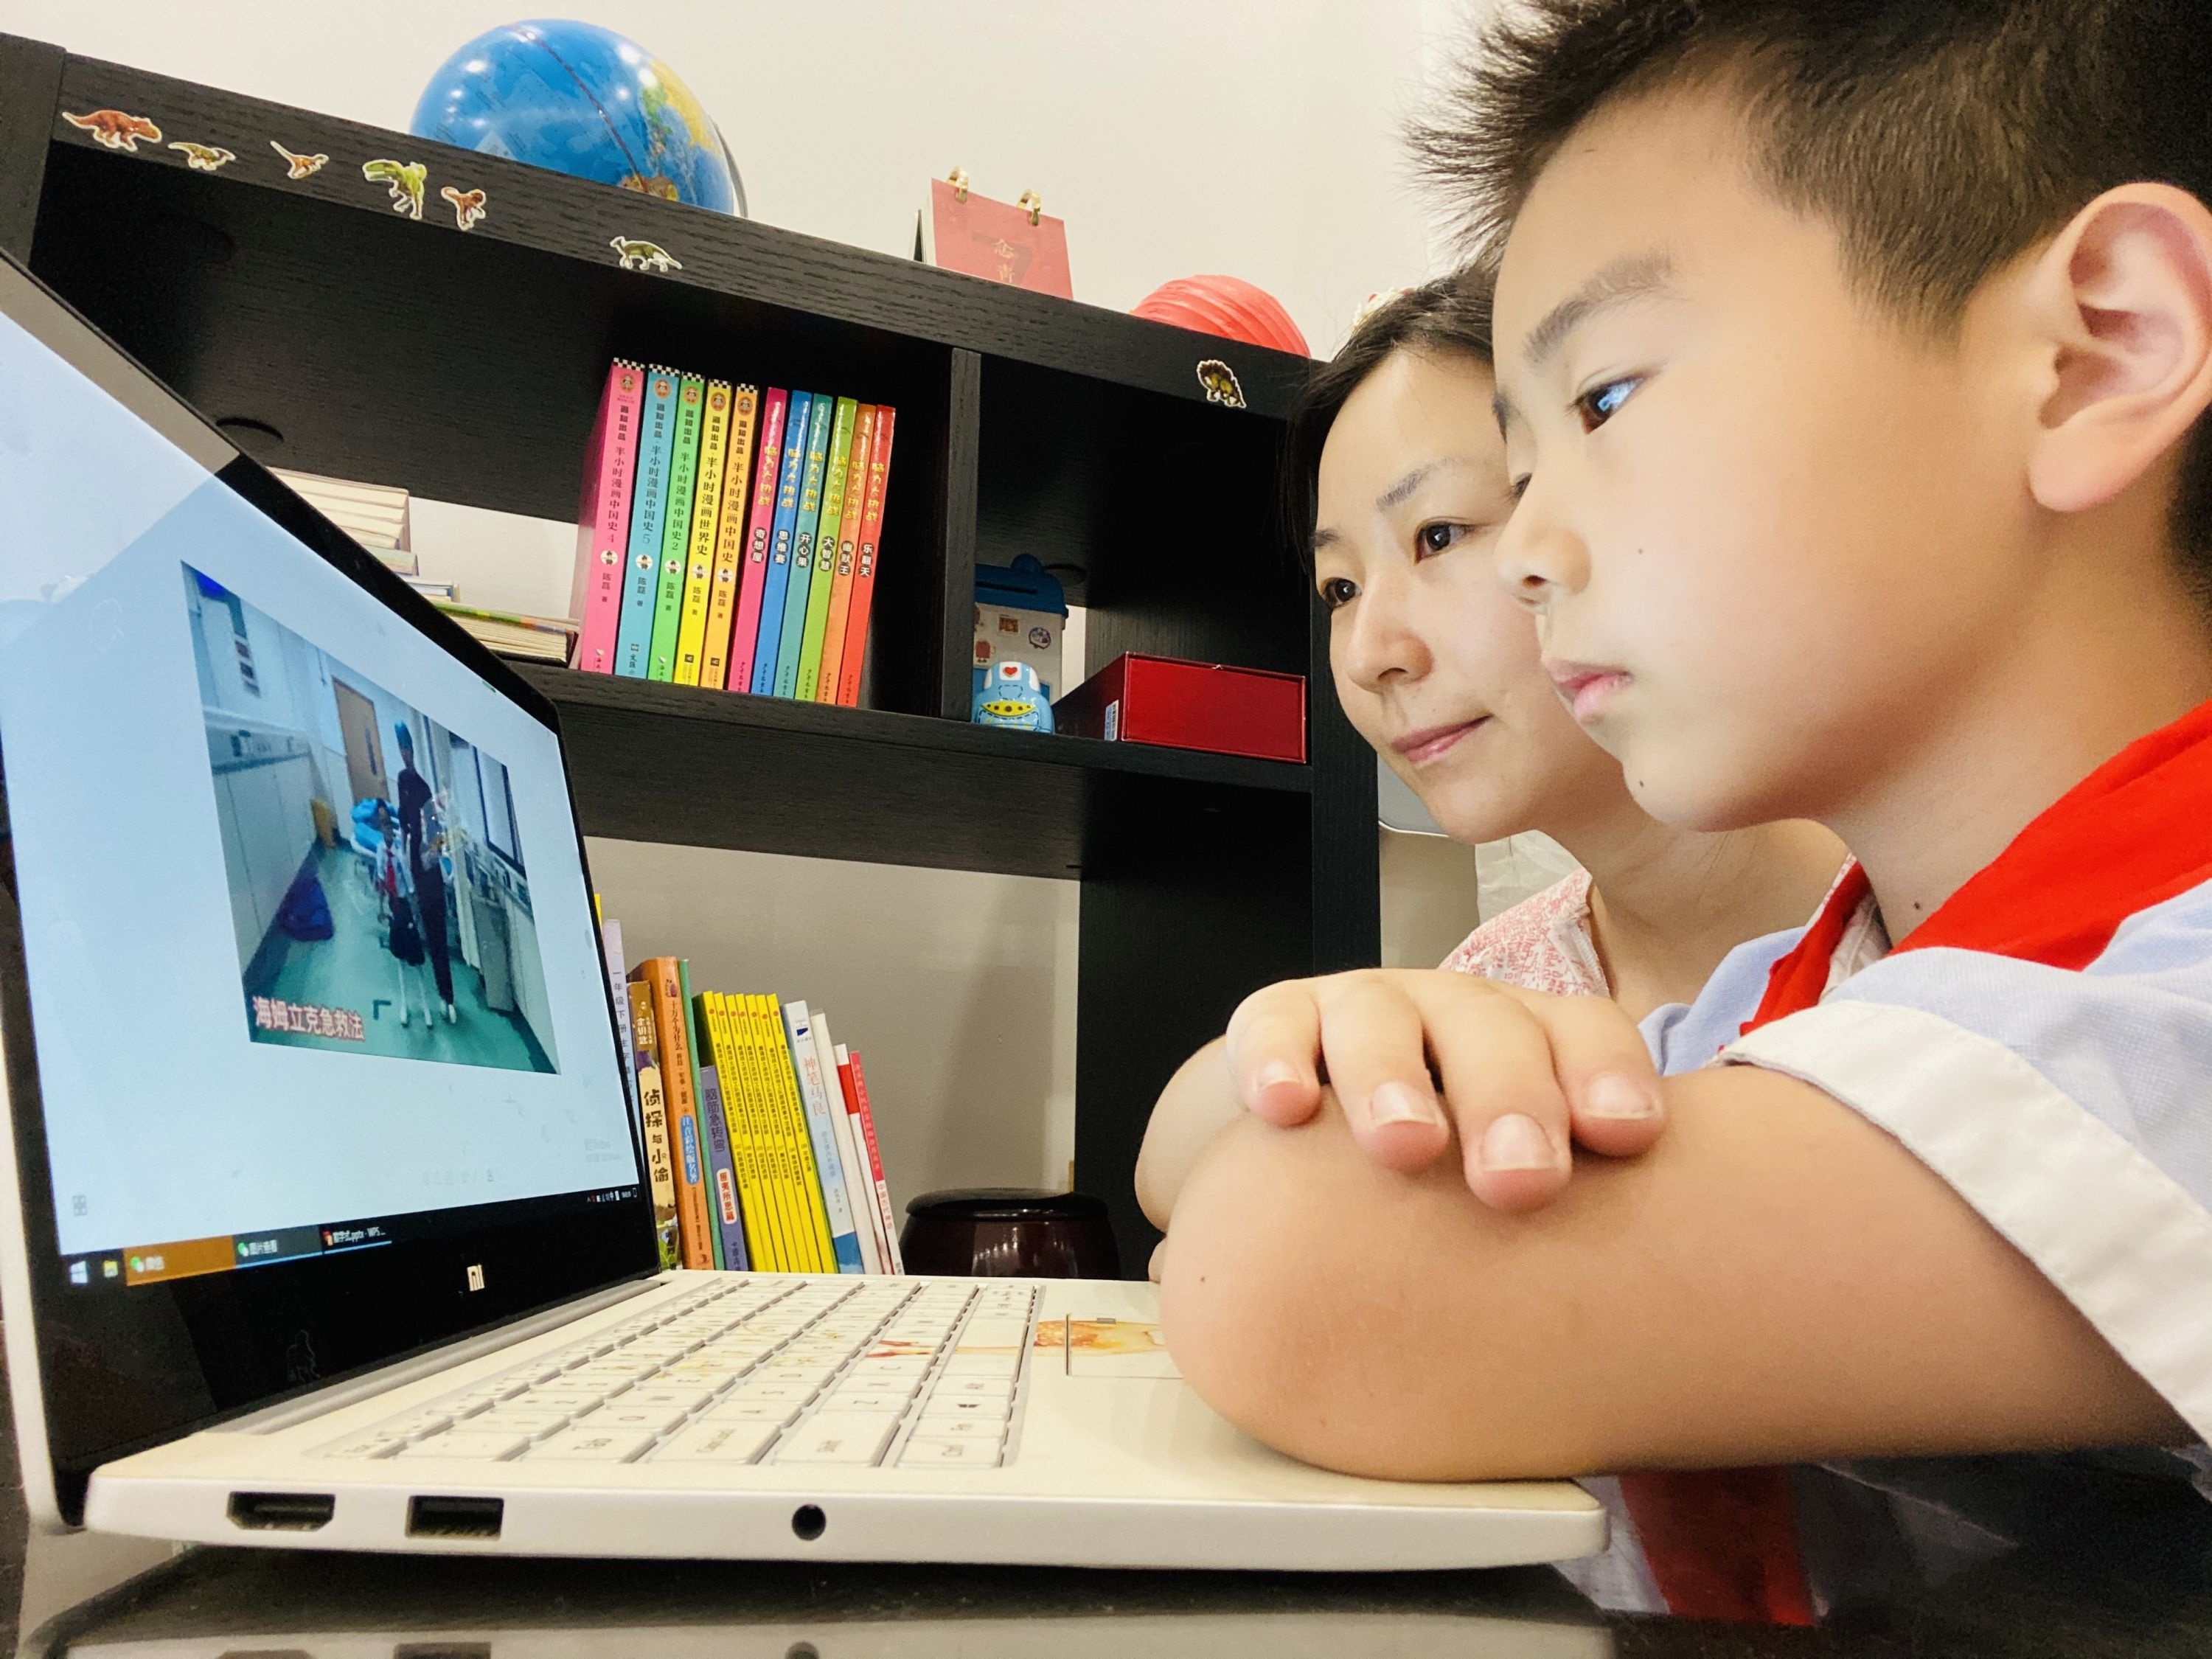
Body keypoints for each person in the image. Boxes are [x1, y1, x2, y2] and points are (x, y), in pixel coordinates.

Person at [1148, 0, 2212, 1624]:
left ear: (2095, 356)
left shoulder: (2166, 979)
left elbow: (1296, 1271)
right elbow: (1217, 1162)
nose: (1528, 551)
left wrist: (1343, 1134)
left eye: (1602, 403)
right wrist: (1341, 1050)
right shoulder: (1800, 993)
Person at [1136, 277, 1842, 1236]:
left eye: (1437, 536)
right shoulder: (1505, 975)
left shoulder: (1945, 917)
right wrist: (1296, 1040)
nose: (1369, 653)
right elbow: (1168, 1175)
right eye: (1339, 587)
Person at [393, 722, 456, 1023]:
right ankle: (435, 995)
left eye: (407, 748)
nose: (405, 753)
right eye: (401, 748)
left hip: (429, 875)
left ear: (412, 751)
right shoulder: (402, 781)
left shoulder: (424, 788)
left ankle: (447, 997)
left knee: (437, 935)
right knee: (423, 936)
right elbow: (403, 824)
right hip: (413, 873)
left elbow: (438, 835)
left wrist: (431, 857)